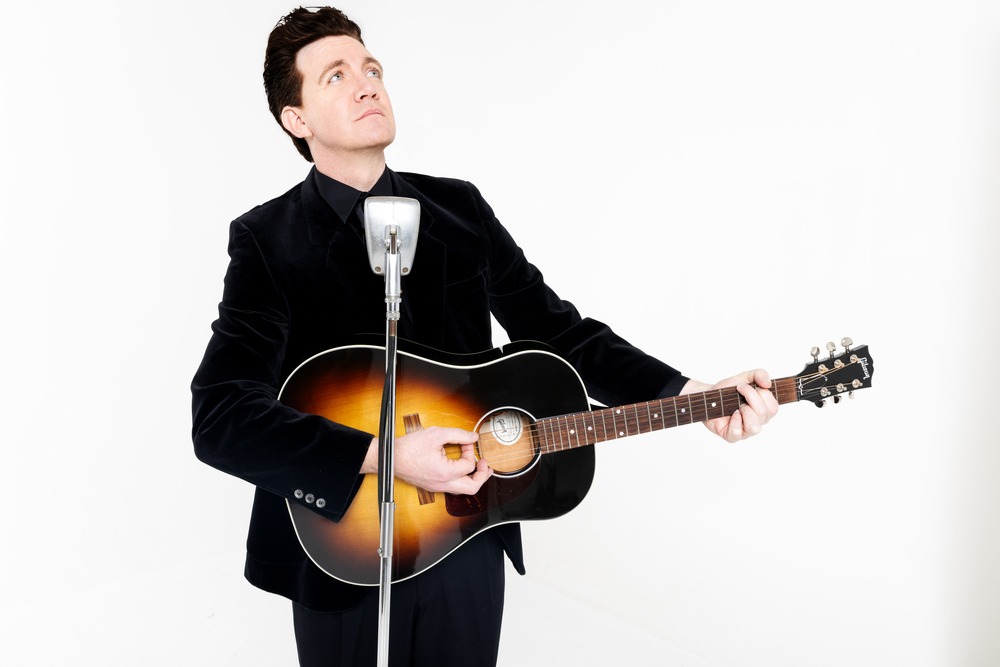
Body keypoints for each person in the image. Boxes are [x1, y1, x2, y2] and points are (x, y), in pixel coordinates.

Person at [191, 6, 779, 666]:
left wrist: (691, 391)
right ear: (295, 120)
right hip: (338, 550)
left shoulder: (459, 209)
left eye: (371, 67)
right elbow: (220, 417)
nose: (365, 84)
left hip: (466, 533)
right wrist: (383, 454)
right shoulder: (267, 240)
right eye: (335, 75)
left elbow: (560, 332)